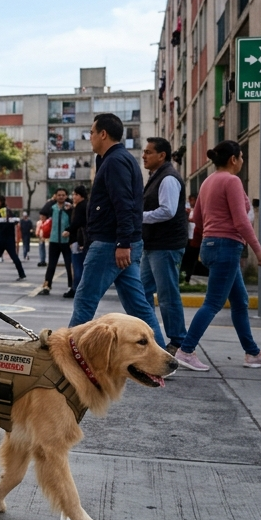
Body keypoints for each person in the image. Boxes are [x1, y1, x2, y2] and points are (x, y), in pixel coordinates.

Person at [172, 141, 261, 370]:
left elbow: (197, 218)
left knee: (240, 301)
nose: (242, 161)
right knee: (213, 302)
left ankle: (253, 353)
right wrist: (258, 249)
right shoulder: (231, 181)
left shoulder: (208, 181)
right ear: (233, 159)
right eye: (241, 157)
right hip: (226, 246)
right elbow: (240, 220)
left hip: (212, 245)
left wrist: (208, 237)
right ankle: (186, 350)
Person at [67, 113, 168, 348]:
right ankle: (160, 354)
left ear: (103, 134)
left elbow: (124, 204)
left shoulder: (115, 161)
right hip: (122, 243)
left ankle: (65, 352)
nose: (90, 137)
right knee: (138, 306)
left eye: (92, 132)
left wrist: (123, 243)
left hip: (111, 244)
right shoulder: (114, 159)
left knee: (84, 300)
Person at [139, 137, 189, 351]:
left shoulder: (168, 178)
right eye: (144, 151)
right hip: (152, 245)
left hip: (166, 246)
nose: (144, 155)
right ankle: (150, 337)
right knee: (141, 292)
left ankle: (178, 341)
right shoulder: (156, 176)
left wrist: (138, 217)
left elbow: (167, 211)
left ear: (162, 155)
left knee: (167, 295)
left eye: (149, 152)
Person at [37, 189, 73, 295]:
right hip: (54, 240)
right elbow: (42, 212)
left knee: (69, 265)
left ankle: (71, 286)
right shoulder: (52, 208)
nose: (61, 197)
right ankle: (47, 286)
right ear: (55, 196)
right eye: (59, 195)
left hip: (66, 241)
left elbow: (74, 222)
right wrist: (50, 201)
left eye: (63, 195)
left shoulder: (70, 208)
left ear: (66, 196)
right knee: (51, 264)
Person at [67, 185, 89, 295]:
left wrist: (68, 231)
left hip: (79, 240)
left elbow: (76, 223)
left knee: (77, 266)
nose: (73, 196)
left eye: (75, 194)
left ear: (81, 196)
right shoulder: (86, 205)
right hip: (83, 240)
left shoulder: (81, 207)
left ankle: (76, 289)